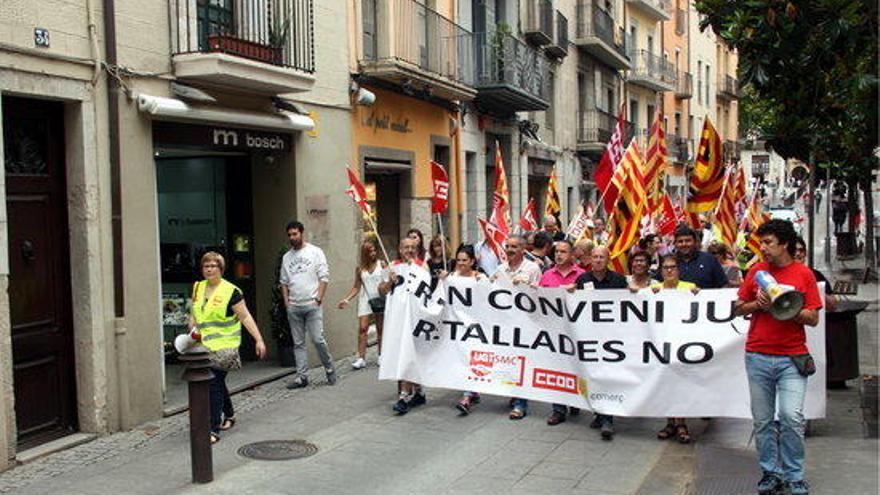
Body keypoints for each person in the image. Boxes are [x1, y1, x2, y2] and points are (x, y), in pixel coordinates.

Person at [734, 219, 822, 495]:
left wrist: (786, 305)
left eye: (768, 243)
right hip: (758, 355)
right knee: (762, 420)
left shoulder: (803, 274)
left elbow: (813, 318)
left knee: (791, 417)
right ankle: (771, 472)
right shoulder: (756, 271)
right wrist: (757, 305)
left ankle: (795, 474)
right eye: (762, 242)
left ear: (784, 244)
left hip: (792, 358)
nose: (763, 248)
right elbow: (738, 308)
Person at [189, 252, 267, 444]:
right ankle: (230, 415)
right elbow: (194, 312)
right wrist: (191, 331)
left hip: (225, 347)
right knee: (217, 382)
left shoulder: (232, 291)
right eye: (206, 266)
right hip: (204, 345)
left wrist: (259, 340)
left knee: (213, 384)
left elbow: (245, 317)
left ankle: (213, 428)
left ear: (221, 269)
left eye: (213, 266)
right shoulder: (198, 287)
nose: (209, 269)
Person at [573, 245, 628, 440]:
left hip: (611, 339)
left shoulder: (619, 280)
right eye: (594, 257)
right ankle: (598, 412)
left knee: (607, 377)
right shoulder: (582, 280)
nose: (597, 260)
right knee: (593, 376)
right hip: (589, 338)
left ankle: (607, 419)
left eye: (601, 257)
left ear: (608, 259)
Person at [491, 234, 543, 419]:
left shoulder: (532, 268)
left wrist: (527, 286)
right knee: (509, 360)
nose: (509, 250)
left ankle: (521, 403)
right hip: (505, 323)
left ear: (523, 250)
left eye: (514, 247)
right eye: (507, 246)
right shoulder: (500, 268)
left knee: (523, 362)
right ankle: (514, 394)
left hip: (526, 323)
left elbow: (540, 295)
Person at [650, 254, 699, 444]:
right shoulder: (654, 289)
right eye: (666, 268)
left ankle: (681, 423)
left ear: (679, 270)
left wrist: (700, 296)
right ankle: (670, 422)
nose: (669, 270)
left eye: (673, 267)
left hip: (683, 343)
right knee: (666, 384)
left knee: (681, 383)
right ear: (661, 271)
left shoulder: (689, 288)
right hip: (661, 344)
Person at [281, 221, 336, 389]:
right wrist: (287, 302)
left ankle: (329, 368)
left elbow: (324, 276)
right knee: (298, 343)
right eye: (289, 235)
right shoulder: (286, 257)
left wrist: (318, 298)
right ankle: (302, 376)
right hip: (294, 306)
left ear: (302, 233)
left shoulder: (315, 252)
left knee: (318, 339)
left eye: (295, 234)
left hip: (312, 304)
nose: (292, 237)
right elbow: (283, 281)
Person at [540, 240, 586, 427]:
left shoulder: (582, 276)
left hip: (576, 331)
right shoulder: (547, 275)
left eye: (563, 251)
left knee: (576, 368)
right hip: (555, 330)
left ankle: (575, 401)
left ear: (572, 254)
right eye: (556, 251)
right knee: (557, 368)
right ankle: (558, 410)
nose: (558, 255)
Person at [382, 237, 429, 415]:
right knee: (404, 354)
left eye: (412, 247)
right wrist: (390, 281)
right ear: (400, 250)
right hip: (397, 318)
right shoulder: (392, 266)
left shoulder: (422, 266)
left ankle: (403, 397)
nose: (409, 250)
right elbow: (381, 290)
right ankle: (419, 392)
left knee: (409, 354)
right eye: (406, 247)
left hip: (415, 318)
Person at [448, 244, 488, 415]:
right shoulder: (452, 277)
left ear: (472, 261)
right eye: (459, 260)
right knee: (463, 357)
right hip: (457, 326)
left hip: (475, 326)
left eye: (465, 260)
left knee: (472, 357)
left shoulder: (480, 278)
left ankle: (466, 396)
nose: (461, 263)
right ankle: (472, 390)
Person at [337, 237, 388, 370]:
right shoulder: (360, 269)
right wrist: (347, 299)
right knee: (363, 328)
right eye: (369, 251)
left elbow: (388, 283)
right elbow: (356, 287)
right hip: (365, 298)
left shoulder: (382, 264)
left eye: (374, 250)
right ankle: (361, 358)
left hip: (380, 297)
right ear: (364, 253)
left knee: (380, 328)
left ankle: (381, 355)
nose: (373, 253)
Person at [793, 237, 837, 311]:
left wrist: (818, 290)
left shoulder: (815, 275)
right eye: (794, 250)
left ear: (805, 253)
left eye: (801, 250)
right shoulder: (781, 274)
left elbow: (833, 305)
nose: (798, 254)